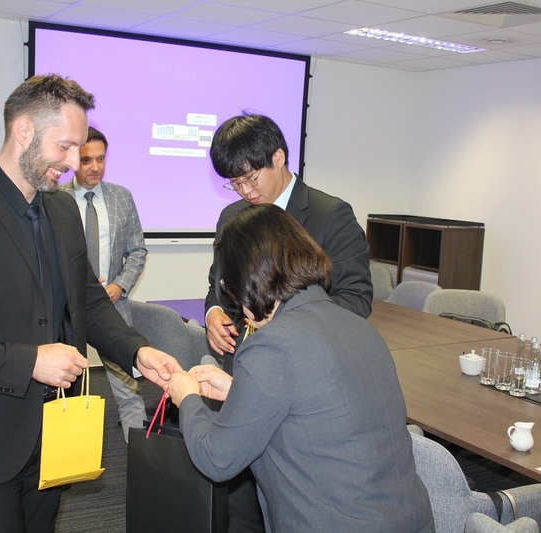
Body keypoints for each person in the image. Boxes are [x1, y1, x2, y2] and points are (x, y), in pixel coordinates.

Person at [0, 74, 181, 533]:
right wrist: (29, 362)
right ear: (23, 131)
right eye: (65, 147)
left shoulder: (61, 211)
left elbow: (87, 301)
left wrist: (137, 351)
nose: (73, 162)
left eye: (80, 149)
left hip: (53, 437)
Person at [168, 204, 434, 533]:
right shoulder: (358, 325)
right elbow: (316, 409)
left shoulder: (271, 344)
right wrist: (240, 390)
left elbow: (218, 459)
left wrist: (188, 399)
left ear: (246, 279)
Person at [203, 112, 373, 531]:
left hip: (309, 381)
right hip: (247, 370)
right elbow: (219, 286)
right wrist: (212, 314)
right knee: (243, 499)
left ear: (279, 157)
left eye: (250, 178)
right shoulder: (233, 217)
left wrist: (284, 327)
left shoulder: (330, 214)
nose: (245, 191)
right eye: (234, 183)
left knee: (292, 494)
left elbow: (355, 301)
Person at [59, 126, 148, 442]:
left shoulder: (122, 197)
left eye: (100, 159)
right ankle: (67, 449)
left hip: (112, 306)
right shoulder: (55, 200)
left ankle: (140, 451)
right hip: (66, 310)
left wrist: (119, 286)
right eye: (86, 160)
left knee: (127, 383)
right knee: (66, 385)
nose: (94, 167)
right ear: (72, 160)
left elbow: (137, 250)